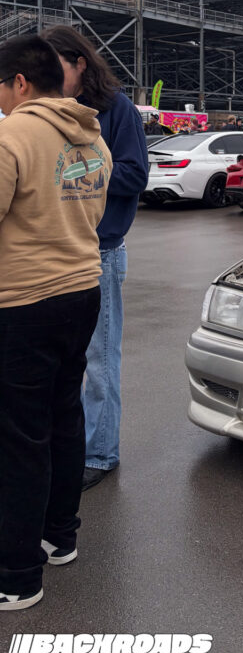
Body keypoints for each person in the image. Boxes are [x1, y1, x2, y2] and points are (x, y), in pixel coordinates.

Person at [0, 35, 111, 610]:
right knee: (63, 417)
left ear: (20, 82)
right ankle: (57, 537)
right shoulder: (92, 137)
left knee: (19, 436)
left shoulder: (12, 134)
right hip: (81, 292)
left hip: (22, 302)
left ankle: (17, 575)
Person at [42, 26, 149, 491]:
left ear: (80, 63)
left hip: (99, 253)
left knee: (99, 361)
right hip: (54, 253)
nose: (47, 77)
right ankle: (66, 445)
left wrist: (76, 168)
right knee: (57, 362)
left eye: (56, 67)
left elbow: (134, 174)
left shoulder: (115, 110)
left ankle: (100, 453)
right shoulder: (45, 114)